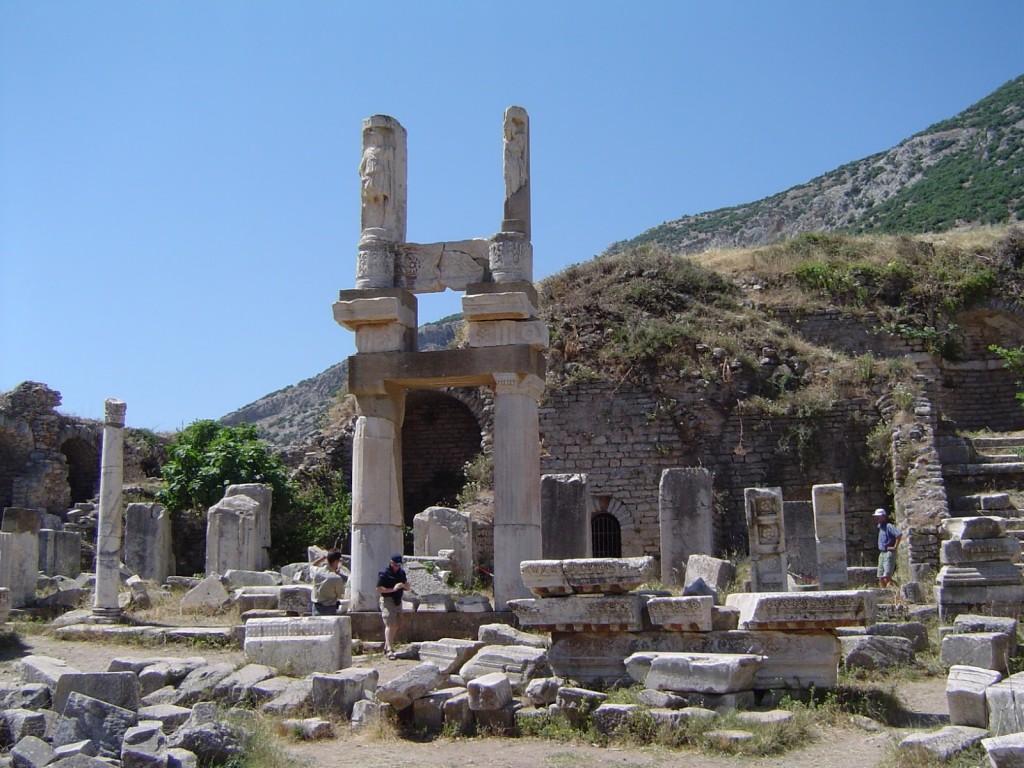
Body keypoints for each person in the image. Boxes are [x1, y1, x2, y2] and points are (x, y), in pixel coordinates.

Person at [376, 553, 410, 659]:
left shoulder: (401, 573)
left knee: (396, 624)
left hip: (397, 600)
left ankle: (387, 645)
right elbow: (379, 588)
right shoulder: (384, 574)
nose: (397, 567)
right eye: (395, 565)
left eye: (399, 565)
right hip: (387, 600)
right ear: (391, 563)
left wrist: (403, 586)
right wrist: (393, 589)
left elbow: (407, 586)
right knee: (389, 624)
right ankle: (390, 648)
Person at [310, 550, 346, 616]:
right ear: (336, 561)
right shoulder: (336, 578)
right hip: (329, 608)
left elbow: (312, 565)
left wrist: (323, 558)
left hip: (316, 607)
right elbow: (341, 595)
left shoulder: (317, 571)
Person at [874, 508, 902, 589]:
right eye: (876, 517)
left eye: (878, 517)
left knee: (887, 577)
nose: (876, 518)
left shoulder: (888, 526)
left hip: (889, 553)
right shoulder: (880, 527)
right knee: (881, 577)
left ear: (883, 517)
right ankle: (883, 593)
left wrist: (895, 547)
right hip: (882, 553)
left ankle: (899, 590)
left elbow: (898, 535)